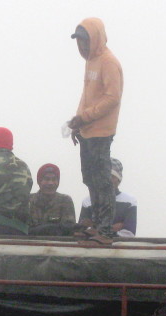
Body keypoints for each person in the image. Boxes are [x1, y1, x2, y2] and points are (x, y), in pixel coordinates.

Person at [67, 17, 123, 245]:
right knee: (90, 178)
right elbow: (87, 96)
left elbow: (112, 98)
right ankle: (97, 225)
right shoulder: (90, 61)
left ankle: (106, 230)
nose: (81, 46)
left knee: (102, 180)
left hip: (101, 130)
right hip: (87, 130)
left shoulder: (108, 61)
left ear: (95, 39)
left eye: (85, 41)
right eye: (78, 42)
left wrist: (85, 117)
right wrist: (77, 122)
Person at [79, 158, 138, 237]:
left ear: (118, 179)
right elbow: (82, 230)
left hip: (118, 247)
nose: (107, 180)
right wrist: (113, 229)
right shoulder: (87, 201)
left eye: (111, 176)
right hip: (91, 247)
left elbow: (129, 233)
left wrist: (96, 229)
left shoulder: (129, 201)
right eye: (103, 176)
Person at [27, 163, 76, 236]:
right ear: (39, 182)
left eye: (54, 179)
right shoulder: (28, 200)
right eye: (46, 179)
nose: (50, 183)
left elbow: (69, 228)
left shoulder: (65, 201)